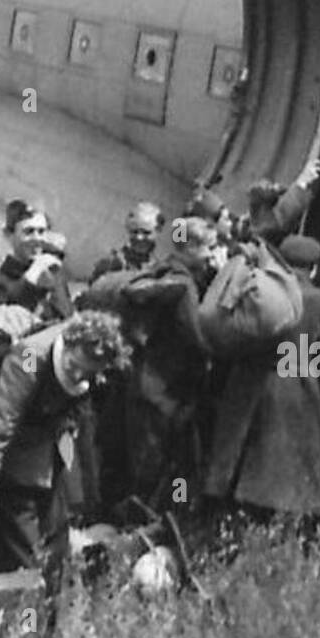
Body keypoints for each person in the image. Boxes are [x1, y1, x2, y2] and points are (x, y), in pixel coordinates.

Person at [0, 312, 129, 617]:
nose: (77, 377)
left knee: (56, 557)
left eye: (86, 374)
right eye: (73, 367)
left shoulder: (92, 362)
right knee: (25, 568)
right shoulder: (28, 357)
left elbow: (74, 425)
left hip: (47, 465)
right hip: (10, 469)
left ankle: (46, 637)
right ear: (69, 343)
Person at [203, 234, 320, 526]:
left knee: (239, 452)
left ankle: (227, 517)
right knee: (290, 457)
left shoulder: (259, 292)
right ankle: (287, 521)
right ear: (314, 268)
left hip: (246, 380)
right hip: (295, 384)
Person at [102, 216, 218, 510]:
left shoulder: (161, 270)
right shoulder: (183, 286)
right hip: (165, 390)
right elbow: (197, 337)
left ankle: (138, 517)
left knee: (146, 459)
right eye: (209, 248)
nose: (212, 256)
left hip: (146, 382)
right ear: (190, 248)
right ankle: (148, 521)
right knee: (160, 462)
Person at [0, 200, 74, 320]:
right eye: (29, 232)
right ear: (8, 234)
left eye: (41, 231)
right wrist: (31, 278)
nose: (37, 238)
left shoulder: (55, 276)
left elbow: (66, 318)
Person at [90, 201, 164, 279]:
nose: (139, 237)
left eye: (146, 232)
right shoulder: (110, 263)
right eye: (135, 232)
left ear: (157, 231)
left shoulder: (158, 270)